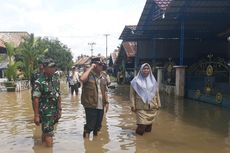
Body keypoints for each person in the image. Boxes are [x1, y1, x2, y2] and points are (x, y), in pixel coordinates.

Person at [33, 58, 62, 147]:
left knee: (46, 131)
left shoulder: (56, 79)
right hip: (46, 112)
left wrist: (60, 109)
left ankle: (43, 147)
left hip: (55, 111)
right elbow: (36, 99)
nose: (53, 68)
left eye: (54, 66)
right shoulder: (39, 82)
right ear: (44, 68)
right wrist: (36, 115)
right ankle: (49, 149)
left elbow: (58, 94)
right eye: (51, 67)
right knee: (49, 134)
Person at [80, 57, 109, 138]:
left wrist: (107, 102)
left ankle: (97, 145)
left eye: (102, 65)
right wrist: (91, 67)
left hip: (101, 105)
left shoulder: (103, 76)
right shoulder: (88, 74)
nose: (102, 66)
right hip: (90, 104)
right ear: (95, 65)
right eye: (100, 64)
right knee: (89, 126)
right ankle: (87, 145)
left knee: (98, 127)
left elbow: (105, 91)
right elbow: (82, 79)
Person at [130, 63, 161, 135]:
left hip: (152, 106)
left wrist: (158, 103)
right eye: (144, 68)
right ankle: (137, 141)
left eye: (147, 68)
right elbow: (132, 94)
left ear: (150, 70)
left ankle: (146, 143)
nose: (146, 70)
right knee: (142, 126)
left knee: (149, 128)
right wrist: (132, 105)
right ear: (141, 70)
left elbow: (156, 93)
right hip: (140, 106)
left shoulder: (153, 80)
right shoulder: (135, 81)